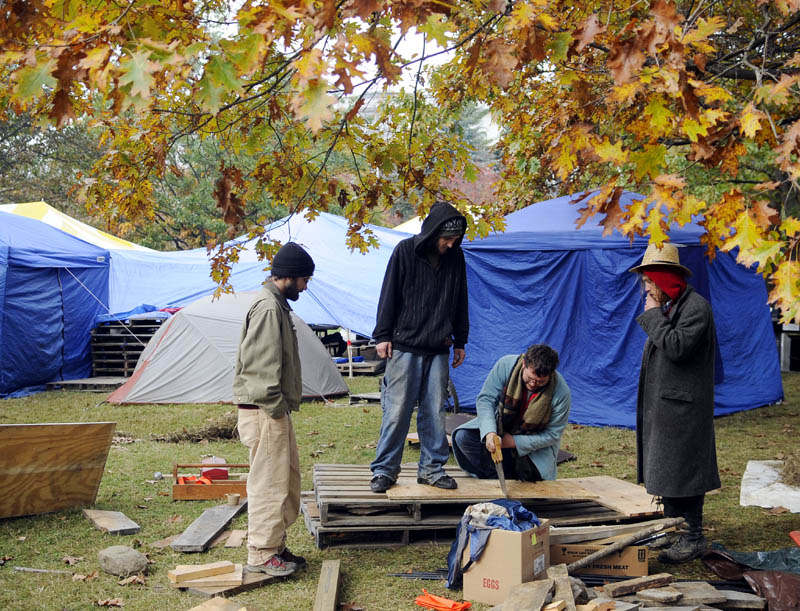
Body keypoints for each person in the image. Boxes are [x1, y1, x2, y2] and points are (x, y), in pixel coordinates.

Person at [369, 201, 469, 493]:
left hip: (438, 346)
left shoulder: (456, 258)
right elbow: (389, 293)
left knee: (435, 411)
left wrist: (461, 340)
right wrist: (383, 335)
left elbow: (461, 299)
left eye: (455, 240)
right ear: (433, 232)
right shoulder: (405, 252)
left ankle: (432, 469)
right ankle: (385, 470)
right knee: (397, 411)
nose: (451, 245)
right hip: (405, 345)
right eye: (447, 239)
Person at [630, 242, 721, 563]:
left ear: (663, 279)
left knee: (685, 471)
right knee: (667, 471)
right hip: (667, 406)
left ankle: (692, 536)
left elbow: (676, 346)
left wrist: (653, 314)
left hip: (685, 408)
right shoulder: (672, 307)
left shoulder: (695, 308)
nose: (646, 289)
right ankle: (673, 529)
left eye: (649, 282)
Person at [232, 242, 315, 577]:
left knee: (285, 481)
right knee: (268, 483)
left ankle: (276, 545)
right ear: (290, 277)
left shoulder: (276, 306)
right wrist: (275, 408)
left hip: (272, 410)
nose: (306, 286)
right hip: (265, 410)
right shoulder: (268, 309)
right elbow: (260, 367)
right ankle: (262, 554)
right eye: (305, 279)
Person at [451, 344, 571, 482]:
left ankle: (505, 480)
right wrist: (490, 432)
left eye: (540, 382)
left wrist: (514, 442)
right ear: (524, 363)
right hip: (500, 431)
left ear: (551, 374)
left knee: (531, 480)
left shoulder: (561, 393)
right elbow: (486, 400)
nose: (533, 384)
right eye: (530, 378)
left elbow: (552, 435)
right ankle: (495, 478)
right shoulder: (506, 366)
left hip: (532, 450)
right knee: (463, 437)